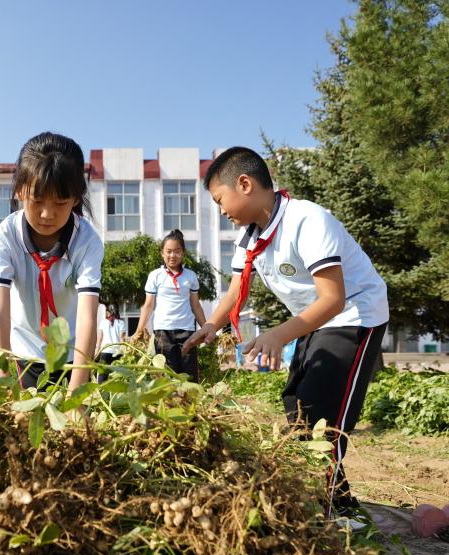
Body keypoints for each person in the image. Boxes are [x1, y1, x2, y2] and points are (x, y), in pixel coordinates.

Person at [183, 147, 389, 518]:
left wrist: (279, 335)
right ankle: (339, 503)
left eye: (220, 200)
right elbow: (234, 290)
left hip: (355, 314)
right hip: (316, 320)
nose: (222, 211)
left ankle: (327, 514)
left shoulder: (307, 220)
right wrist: (211, 325)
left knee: (323, 416)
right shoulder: (250, 239)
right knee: (297, 405)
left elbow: (334, 298)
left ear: (244, 184)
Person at [0, 131, 104, 390]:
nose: (47, 214)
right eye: (36, 200)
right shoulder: (5, 237)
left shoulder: (87, 242)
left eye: (61, 203)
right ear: (19, 190)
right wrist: (1, 383)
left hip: (74, 357)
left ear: (76, 197)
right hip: (23, 355)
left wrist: (76, 393)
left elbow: (87, 317)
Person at [132, 229, 207, 382]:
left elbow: (196, 306)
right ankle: (169, 405)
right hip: (162, 333)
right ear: (162, 253)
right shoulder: (155, 276)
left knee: (189, 374)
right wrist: (139, 331)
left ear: (183, 253)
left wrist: (206, 328)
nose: (173, 255)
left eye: (177, 251)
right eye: (169, 251)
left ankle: (190, 404)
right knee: (167, 375)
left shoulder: (190, 276)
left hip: (187, 331)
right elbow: (148, 306)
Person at [96, 305, 127, 382]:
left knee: (102, 375)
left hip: (105, 352)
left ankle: (101, 391)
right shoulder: (121, 323)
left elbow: (99, 339)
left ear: (108, 312)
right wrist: (125, 352)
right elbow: (122, 340)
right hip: (117, 353)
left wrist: (96, 352)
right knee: (116, 377)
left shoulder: (103, 322)